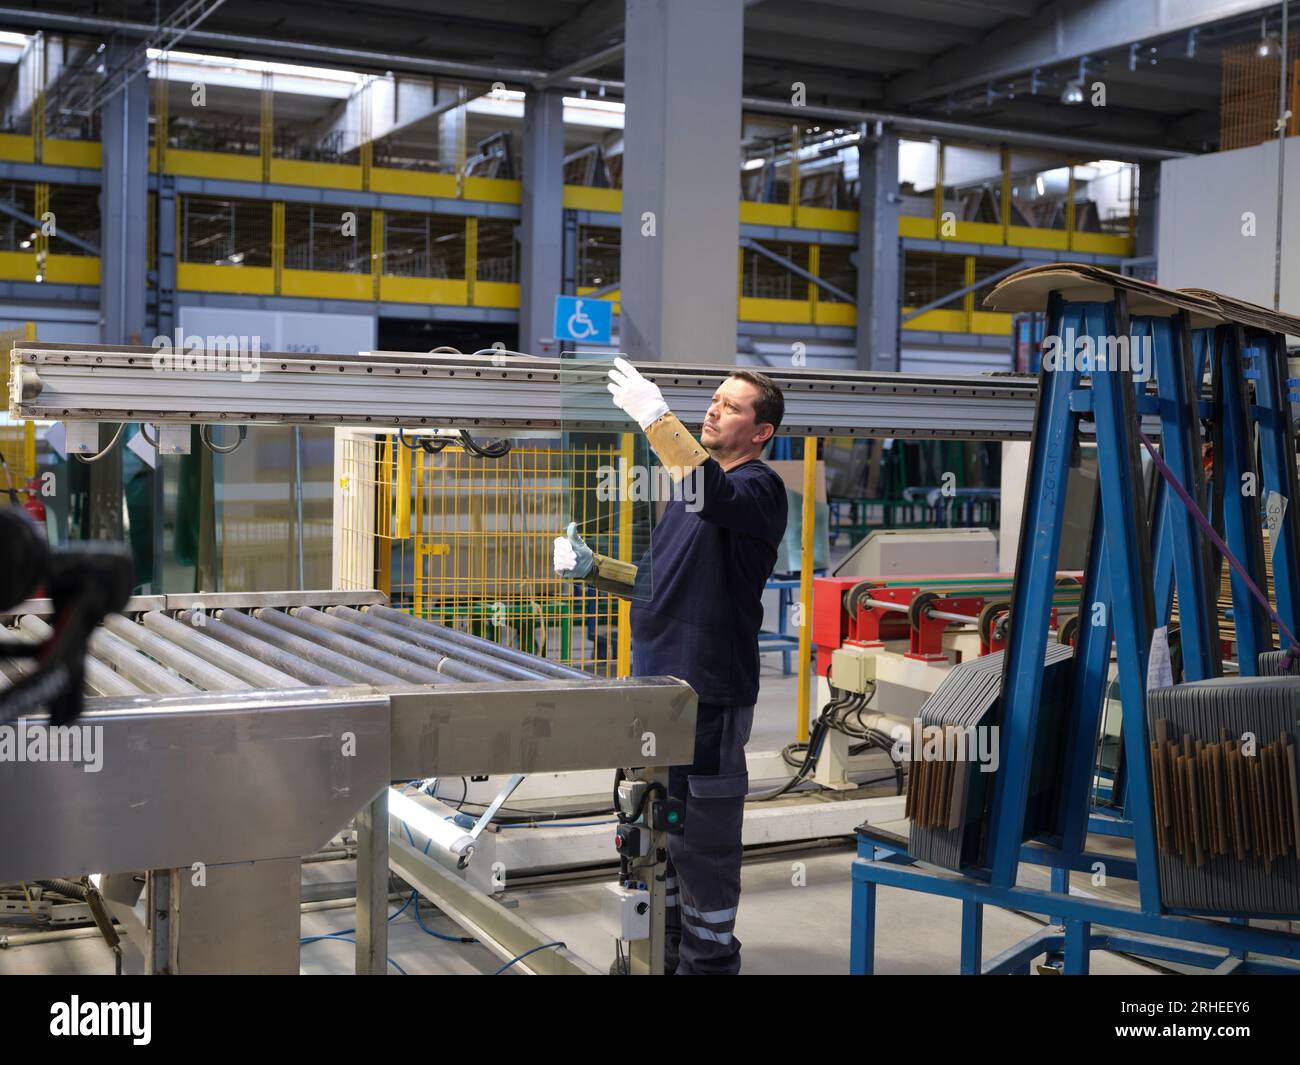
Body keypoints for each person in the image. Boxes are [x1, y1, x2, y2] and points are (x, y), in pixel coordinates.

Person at [553, 358, 788, 975]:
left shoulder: (757, 490)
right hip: (655, 688)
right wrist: (595, 569)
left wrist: (657, 417)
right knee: (656, 829)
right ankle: (663, 953)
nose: (713, 408)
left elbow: (713, 489)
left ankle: (710, 963)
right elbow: (662, 584)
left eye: (731, 406)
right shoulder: (689, 495)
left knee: (701, 838)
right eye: (714, 399)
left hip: (707, 691)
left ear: (761, 431)